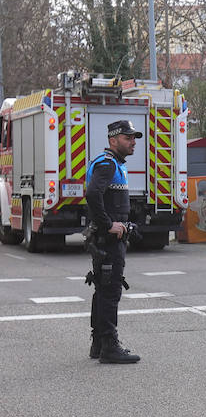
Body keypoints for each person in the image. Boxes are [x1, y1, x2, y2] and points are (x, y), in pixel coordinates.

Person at [84, 120, 143, 364]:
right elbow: (93, 194)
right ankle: (109, 346)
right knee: (110, 291)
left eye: (134, 138)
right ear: (113, 140)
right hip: (108, 240)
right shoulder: (107, 164)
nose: (133, 142)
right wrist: (109, 225)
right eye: (128, 138)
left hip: (106, 240)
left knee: (103, 289)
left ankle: (98, 343)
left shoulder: (113, 164)